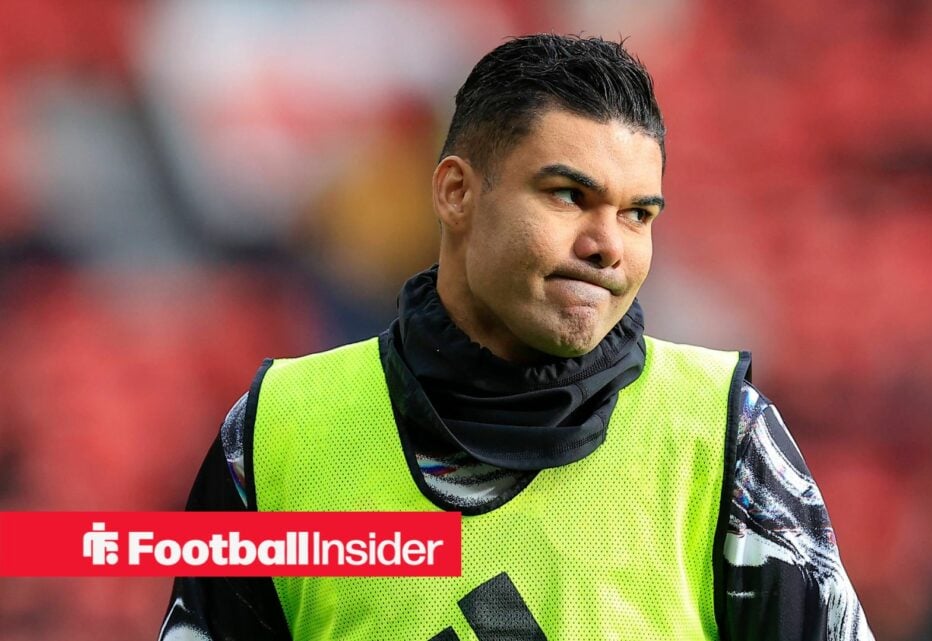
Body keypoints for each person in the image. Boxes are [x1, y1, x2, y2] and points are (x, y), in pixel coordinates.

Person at [160, 34, 874, 641]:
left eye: (637, 215)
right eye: (569, 195)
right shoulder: (275, 435)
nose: (608, 246)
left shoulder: (725, 441)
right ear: (456, 193)